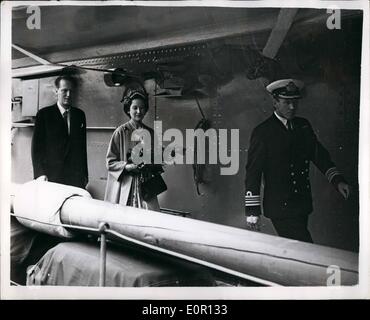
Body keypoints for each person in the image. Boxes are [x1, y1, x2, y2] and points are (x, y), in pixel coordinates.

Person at [244, 79, 350, 242]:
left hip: (301, 204)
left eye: (295, 102)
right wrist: (252, 211)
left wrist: (337, 180)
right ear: (275, 102)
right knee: (305, 248)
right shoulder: (263, 132)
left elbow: (318, 155)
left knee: (296, 250)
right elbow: (253, 173)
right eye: (287, 102)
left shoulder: (303, 126)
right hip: (280, 207)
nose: (292, 107)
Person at [104, 88, 166, 210]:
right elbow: (110, 163)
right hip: (126, 186)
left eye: (142, 108)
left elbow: (158, 161)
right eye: (135, 108)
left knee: (149, 219)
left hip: (147, 187)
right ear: (128, 109)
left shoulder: (151, 133)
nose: (139, 111)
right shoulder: (120, 132)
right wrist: (128, 166)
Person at [31, 75, 88, 189]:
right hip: (51, 178)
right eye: (64, 90)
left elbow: (82, 148)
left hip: (75, 178)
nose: (68, 95)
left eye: (71, 91)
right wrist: (40, 174)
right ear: (56, 91)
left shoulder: (79, 115)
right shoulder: (44, 114)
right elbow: (36, 148)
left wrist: (85, 175)